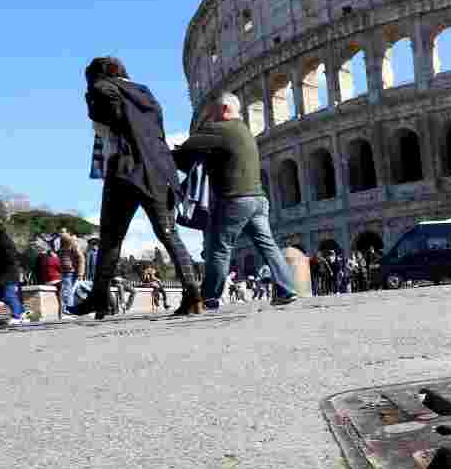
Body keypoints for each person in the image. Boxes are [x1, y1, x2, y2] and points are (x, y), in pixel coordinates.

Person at [75, 57, 202, 319]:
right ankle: (193, 293)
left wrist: (93, 90)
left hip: (125, 168)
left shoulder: (103, 88)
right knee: (169, 234)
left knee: (111, 237)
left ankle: (100, 298)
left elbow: (106, 117)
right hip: (157, 168)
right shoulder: (146, 95)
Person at [173, 92, 299, 309]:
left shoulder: (220, 129)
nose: (210, 116)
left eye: (212, 112)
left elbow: (185, 150)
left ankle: (209, 297)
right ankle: (287, 289)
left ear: (223, 110)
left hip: (234, 199)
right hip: (258, 199)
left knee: (219, 247)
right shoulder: (244, 131)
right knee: (268, 245)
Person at [0, 224, 27, 324]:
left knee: (8, 295)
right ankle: (22, 312)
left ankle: (16, 316)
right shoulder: (1, 243)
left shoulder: (4, 243)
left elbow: (11, 259)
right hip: (3, 274)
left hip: (7, 274)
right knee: (1, 296)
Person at [57, 231, 85, 312]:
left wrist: (80, 273)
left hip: (71, 272)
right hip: (66, 272)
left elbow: (81, 259)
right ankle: (69, 309)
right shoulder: (62, 247)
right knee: (68, 291)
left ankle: (68, 310)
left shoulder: (73, 246)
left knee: (67, 291)